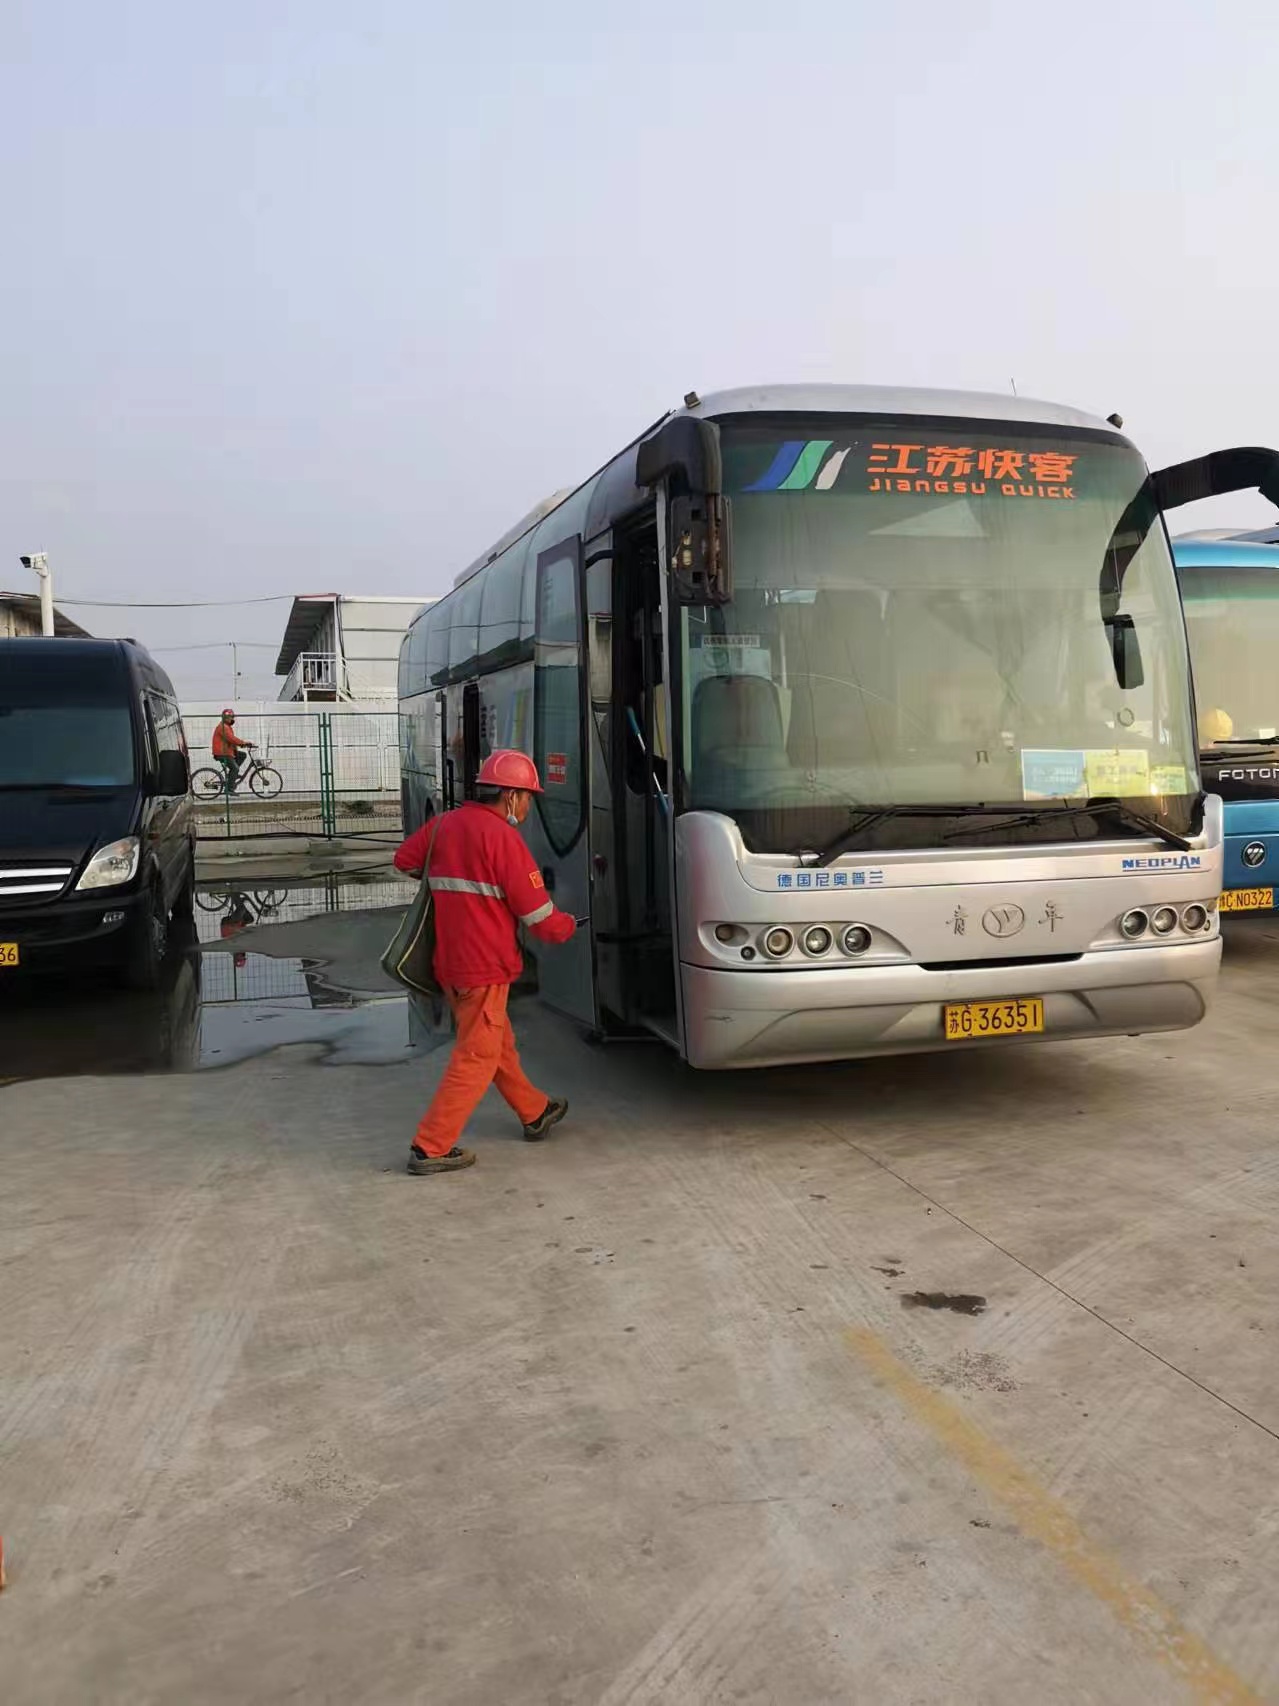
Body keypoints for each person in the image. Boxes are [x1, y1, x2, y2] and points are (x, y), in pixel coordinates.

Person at [394, 749, 577, 1176]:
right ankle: (431, 1147)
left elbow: (405, 860)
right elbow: (540, 918)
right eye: (528, 798)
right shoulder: (504, 840)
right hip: (485, 967)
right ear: (510, 796)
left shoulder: (444, 825)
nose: (528, 807)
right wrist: (568, 925)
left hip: (450, 964)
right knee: (477, 1055)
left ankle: (535, 1112)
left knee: (497, 1044)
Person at [212, 709, 255, 789]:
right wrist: (243, 743)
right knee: (235, 768)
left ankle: (232, 775)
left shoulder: (227, 727)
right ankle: (230, 788)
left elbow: (231, 740)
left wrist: (242, 745)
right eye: (230, 717)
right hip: (222, 753)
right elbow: (232, 739)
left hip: (226, 751)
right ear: (225, 718)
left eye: (232, 717)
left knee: (242, 755)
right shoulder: (223, 727)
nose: (232, 719)